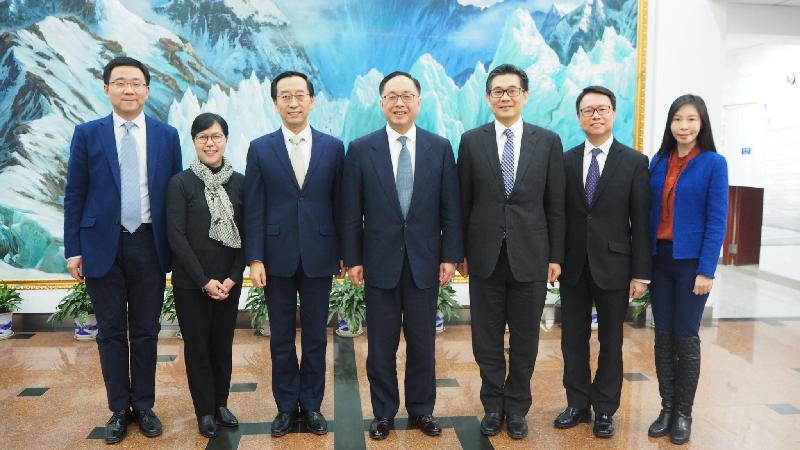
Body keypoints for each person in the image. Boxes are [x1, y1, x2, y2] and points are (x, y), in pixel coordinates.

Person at [63, 56, 182, 444]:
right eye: (120, 83)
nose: (128, 89)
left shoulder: (167, 135)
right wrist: (73, 249)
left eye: (136, 83)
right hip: (101, 245)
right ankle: (118, 408)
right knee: (111, 332)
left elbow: (176, 197)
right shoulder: (87, 134)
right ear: (107, 89)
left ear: (147, 90)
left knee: (146, 330)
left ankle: (144, 406)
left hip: (149, 243)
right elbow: (75, 194)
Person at [340, 71, 463, 440]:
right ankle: (383, 413)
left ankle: (422, 410)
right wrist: (353, 258)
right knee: (381, 345)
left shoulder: (439, 147)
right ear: (381, 103)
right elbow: (351, 210)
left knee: (423, 344)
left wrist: (451, 256)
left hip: (426, 261)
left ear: (419, 102)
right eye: (392, 96)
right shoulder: (362, 149)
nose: (399, 103)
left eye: (407, 95)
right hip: (378, 263)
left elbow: (451, 208)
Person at [457, 63, 565, 439]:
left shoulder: (548, 141)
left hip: (532, 256)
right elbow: (462, 202)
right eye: (498, 91)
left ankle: (517, 407)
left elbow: (556, 205)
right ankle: (492, 404)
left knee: (525, 339)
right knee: (485, 338)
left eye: (512, 90)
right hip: (485, 255)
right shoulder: (471, 141)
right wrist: (460, 252)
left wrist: (556, 256)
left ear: (525, 95)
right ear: (488, 98)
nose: (505, 97)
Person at [244, 71, 344, 437]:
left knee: (317, 336)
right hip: (276, 258)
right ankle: (286, 406)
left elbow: (341, 206)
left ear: (312, 100)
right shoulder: (260, 147)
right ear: (275, 103)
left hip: (320, 255)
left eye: (299, 95)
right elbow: (253, 207)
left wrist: (345, 255)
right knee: (282, 338)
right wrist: (255, 258)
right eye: (285, 96)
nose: (293, 102)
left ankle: (313, 405)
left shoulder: (333, 147)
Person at [553, 86, 651, 438]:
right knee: (572, 341)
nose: (596, 115)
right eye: (588, 110)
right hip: (574, 266)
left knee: (611, 342)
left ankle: (605, 408)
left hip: (616, 267)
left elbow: (641, 222)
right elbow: (558, 216)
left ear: (613, 113)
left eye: (602, 109)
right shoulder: (564, 160)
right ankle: (577, 403)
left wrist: (641, 273)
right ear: (579, 116)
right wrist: (554, 259)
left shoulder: (635, 162)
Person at [646, 94, 728, 445]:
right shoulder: (658, 160)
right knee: (662, 335)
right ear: (670, 124)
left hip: (692, 265)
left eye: (691, 119)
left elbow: (717, 219)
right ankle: (666, 408)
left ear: (702, 123)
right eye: (678, 119)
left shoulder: (714, 162)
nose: (684, 126)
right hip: (658, 260)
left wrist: (707, 270)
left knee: (685, 337)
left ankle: (683, 413)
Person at [166, 113, 244, 439]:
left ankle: (222, 403)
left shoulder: (240, 182)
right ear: (195, 142)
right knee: (197, 347)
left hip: (228, 282)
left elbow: (248, 233)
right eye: (203, 137)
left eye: (215, 136)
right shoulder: (180, 183)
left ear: (226, 139)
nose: (210, 143)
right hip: (190, 283)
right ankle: (205, 410)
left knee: (222, 344)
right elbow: (176, 236)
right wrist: (202, 280)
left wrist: (232, 276)